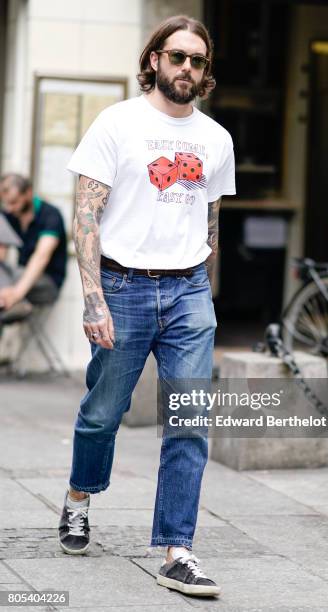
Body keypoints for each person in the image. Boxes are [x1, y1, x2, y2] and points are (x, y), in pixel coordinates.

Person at [58, 15, 235, 597]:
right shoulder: (117, 124)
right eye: (177, 56)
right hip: (124, 288)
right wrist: (93, 300)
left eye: (198, 61)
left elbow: (210, 220)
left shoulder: (216, 138)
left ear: (206, 72)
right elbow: (85, 215)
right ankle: (80, 496)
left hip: (187, 291)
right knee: (103, 412)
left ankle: (177, 549)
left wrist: (204, 290)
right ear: (155, 59)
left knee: (189, 422)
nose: (187, 68)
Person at [0, 174, 67, 316]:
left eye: (13, 202)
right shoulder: (9, 214)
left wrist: (16, 294)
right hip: (19, 278)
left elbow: (41, 257)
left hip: (48, 283)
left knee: (16, 278)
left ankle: (18, 305)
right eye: (6, 203)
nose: (9, 208)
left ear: (28, 193)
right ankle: (15, 307)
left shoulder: (51, 215)